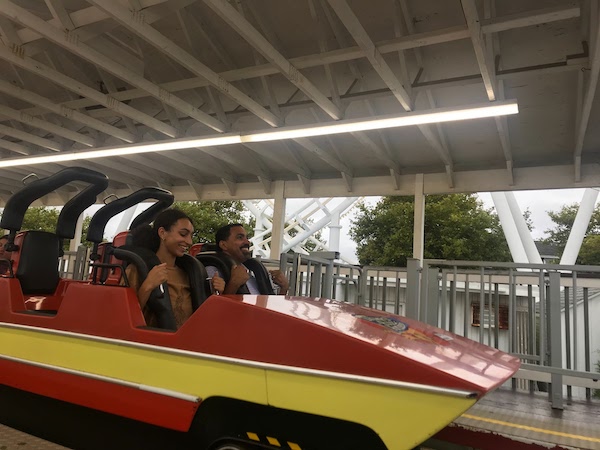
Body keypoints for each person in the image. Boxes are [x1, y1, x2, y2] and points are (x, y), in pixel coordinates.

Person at [125, 209, 225, 329]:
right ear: (162, 233)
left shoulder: (190, 273)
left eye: (190, 235)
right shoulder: (137, 270)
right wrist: (148, 286)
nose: (189, 241)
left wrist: (215, 293)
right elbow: (124, 318)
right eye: (183, 234)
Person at [205, 224, 288, 295]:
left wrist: (283, 288)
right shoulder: (214, 271)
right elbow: (214, 310)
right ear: (223, 245)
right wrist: (234, 284)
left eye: (247, 238)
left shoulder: (252, 272)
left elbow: (271, 309)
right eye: (240, 237)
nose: (247, 242)